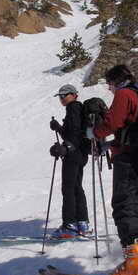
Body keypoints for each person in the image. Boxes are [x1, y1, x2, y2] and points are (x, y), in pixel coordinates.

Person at [93, 64, 138, 275]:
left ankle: (133, 262)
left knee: (123, 207)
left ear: (116, 81)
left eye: (109, 84)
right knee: (133, 206)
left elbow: (112, 123)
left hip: (128, 159)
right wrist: (110, 144)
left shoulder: (124, 94)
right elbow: (131, 130)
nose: (109, 88)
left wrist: (94, 132)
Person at [49, 84, 91, 238]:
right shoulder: (78, 109)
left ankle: (69, 225)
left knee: (68, 189)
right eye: (60, 96)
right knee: (76, 187)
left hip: (73, 155)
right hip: (81, 154)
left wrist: (65, 148)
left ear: (74, 95)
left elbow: (74, 134)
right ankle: (82, 223)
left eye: (64, 95)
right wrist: (59, 128)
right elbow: (73, 133)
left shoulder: (73, 108)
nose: (61, 98)